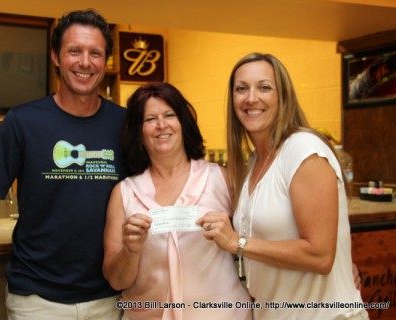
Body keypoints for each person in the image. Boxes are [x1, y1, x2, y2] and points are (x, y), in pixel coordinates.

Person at [0, 9, 127, 320]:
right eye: (74, 51)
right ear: (56, 57)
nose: (85, 62)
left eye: (95, 53)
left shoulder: (125, 124)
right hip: (36, 301)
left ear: (105, 61)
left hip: (111, 300)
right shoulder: (22, 122)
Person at [198, 52, 368, 319]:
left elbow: (320, 256)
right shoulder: (255, 162)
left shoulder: (303, 149)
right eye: (241, 89)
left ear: (283, 97)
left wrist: (236, 241)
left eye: (264, 87)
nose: (251, 98)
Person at [103, 82, 252, 320]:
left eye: (169, 115)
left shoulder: (219, 179)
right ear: (138, 132)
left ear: (183, 123)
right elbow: (116, 280)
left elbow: (255, 244)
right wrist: (131, 250)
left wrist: (233, 238)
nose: (161, 125)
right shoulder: (125, 193)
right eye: (150, 119)